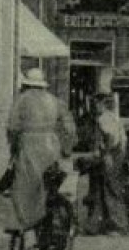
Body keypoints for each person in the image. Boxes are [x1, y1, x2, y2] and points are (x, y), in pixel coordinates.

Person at [6, 67, 77, 235]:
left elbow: (13, 128)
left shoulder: (21, 101)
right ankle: (48, 218)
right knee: (49, 184)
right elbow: (69, 128)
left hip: (29, 146)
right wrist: (66, 149)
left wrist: (14, 148)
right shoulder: (55, 101)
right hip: (51, 146)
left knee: (24, 186)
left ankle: (25, 223)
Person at [86, 93, 129, 235]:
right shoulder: (113, 117)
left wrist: (107, 153)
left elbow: (111, 137)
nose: (95, 107)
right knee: (102, 189)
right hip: (115, 155)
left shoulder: (104, 119)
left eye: (97, 104)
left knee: (111, 190)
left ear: (102, 105)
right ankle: (97, 225)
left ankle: (119, 225)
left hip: (111, 156)